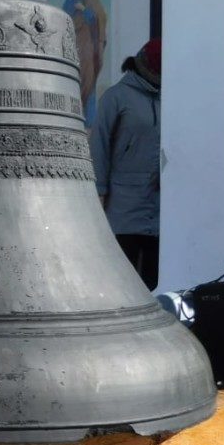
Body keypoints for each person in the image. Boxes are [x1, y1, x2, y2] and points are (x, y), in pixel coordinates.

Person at [90, 38, 161, 290]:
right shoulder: (116, 97)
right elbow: (99, 147)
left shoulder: (170, 97)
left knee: (154, 285)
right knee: (123, 286)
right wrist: (99, 195)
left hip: (158, 213)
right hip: (122, 210)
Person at [63, 0, 108, 122]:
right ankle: (74, 117)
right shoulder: (68, 2)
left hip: (89, 46)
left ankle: (89, 120)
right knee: (75, 79)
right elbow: (64, 23)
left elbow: (99, 19)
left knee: (90, 78)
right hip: (75, 47)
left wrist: (84, 9)